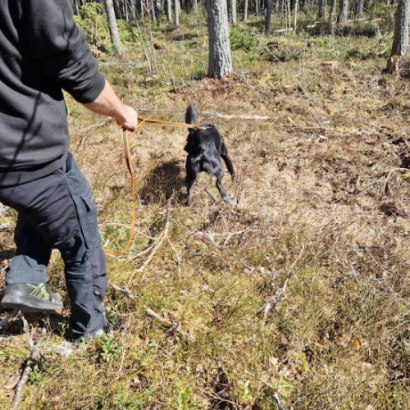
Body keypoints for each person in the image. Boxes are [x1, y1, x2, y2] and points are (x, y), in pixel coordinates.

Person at [0, 0, 138, 341]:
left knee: (37, 203)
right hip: (28, 150)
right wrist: (120, 111)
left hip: (11, 161)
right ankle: (89, 332)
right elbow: (67, 56)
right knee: (82, 240)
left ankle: (24, 277)